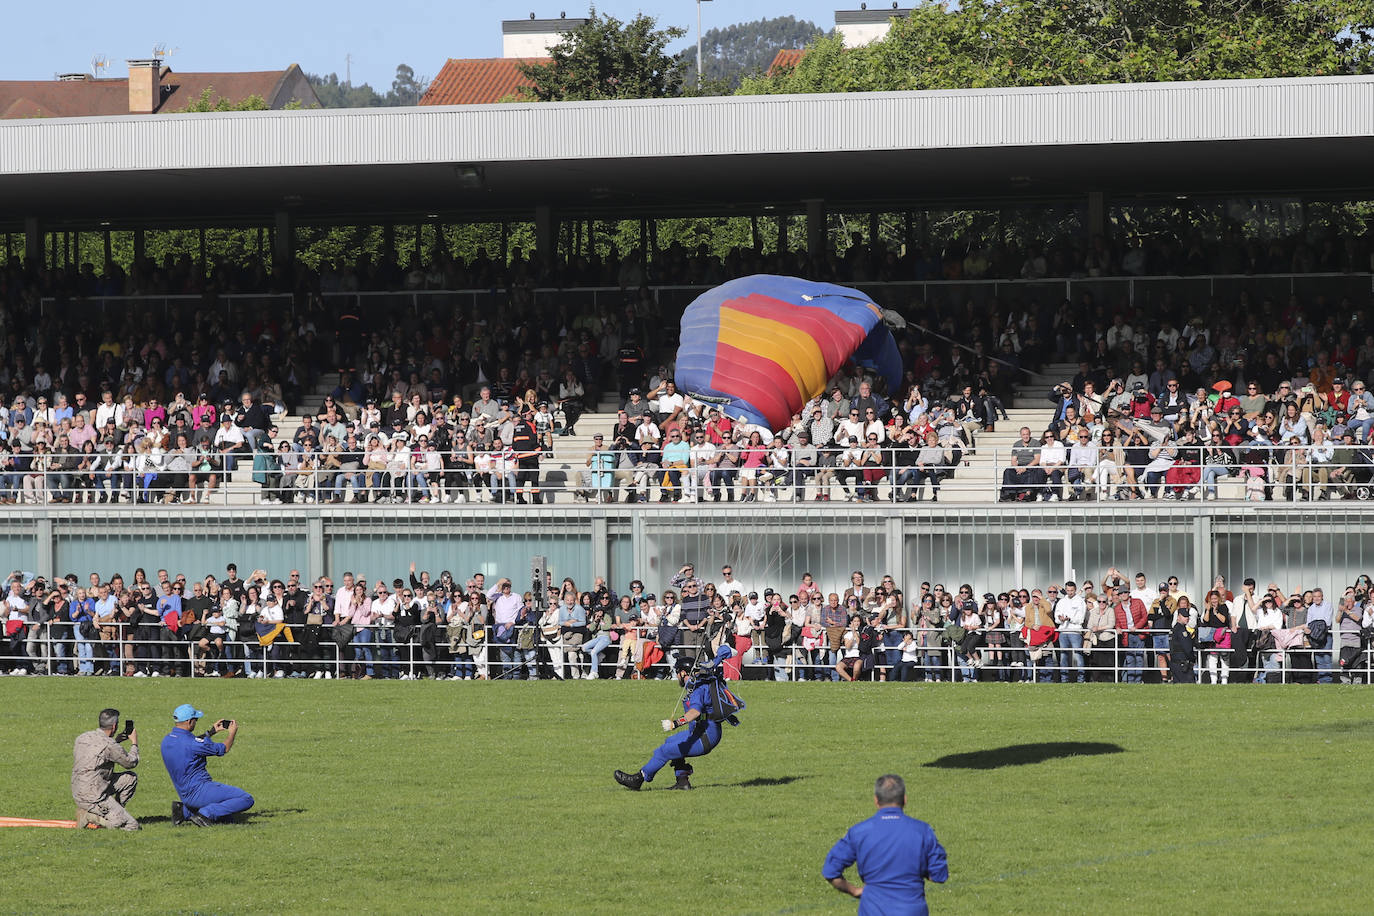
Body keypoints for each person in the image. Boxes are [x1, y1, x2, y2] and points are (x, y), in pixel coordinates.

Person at [613, 646, 743, 791]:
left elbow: (695, 712)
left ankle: (639, 778)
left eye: (678, 672)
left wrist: (675, 723)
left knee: (665, 751)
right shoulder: (698, 683)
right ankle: (682, 782)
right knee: (670, 742)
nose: (677, 676)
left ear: (683, 673)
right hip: (701, 732)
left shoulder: (697, 689)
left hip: (706, 736)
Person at [823, 774, 949, 915]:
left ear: (876, 801)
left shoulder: (859, 832)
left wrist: (854, 891)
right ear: (905, 800)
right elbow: (939, 875)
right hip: (911, 910)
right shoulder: (922, 831)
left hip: (872, 910)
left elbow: (830, 871)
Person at [160, 703, 254, 827]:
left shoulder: (167, 740)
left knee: (228, 819)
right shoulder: (192, 744)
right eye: (196, 720)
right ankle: (205, 814)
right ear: (189, 721)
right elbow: (223, 749)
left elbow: (191, 744)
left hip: (184, 793)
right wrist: (232, 733)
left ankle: (183, 811)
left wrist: (211, 732)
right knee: (245, 799)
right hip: (200, 790)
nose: (196, 722)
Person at [71, 708, 140, 830]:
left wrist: (116, 741)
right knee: (131, 826)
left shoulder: (82, 738)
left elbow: (99, 750)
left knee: (129, 778)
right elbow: (130, 762)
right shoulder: (109, 745)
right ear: (114, 726)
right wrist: (134, 743)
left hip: (78, 789)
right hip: (93, 796)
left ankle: (114, 812)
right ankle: (92, 816)